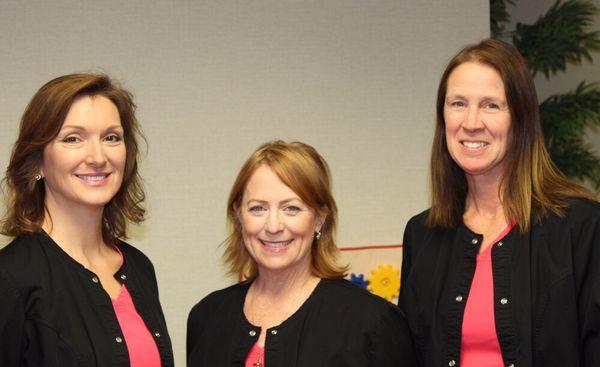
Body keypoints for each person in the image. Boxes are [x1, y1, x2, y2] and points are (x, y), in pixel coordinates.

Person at [399, 38, 600, 367]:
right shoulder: (422, 235)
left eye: (491, 105)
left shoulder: (581, 228)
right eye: (458, 103)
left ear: (520, 119)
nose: (472, 122)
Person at [187, 140, 415, 366]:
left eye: (291, 208)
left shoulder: (372, 323)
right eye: (258, 208)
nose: (273, 226)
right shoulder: (207, 318)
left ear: (319, 219)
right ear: (238, 216)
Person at [0, 74, 173, 366]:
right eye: (73, 138)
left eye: (111, 137)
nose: (97, 156)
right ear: (37, 162)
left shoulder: (140, 268)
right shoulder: (11, 278)